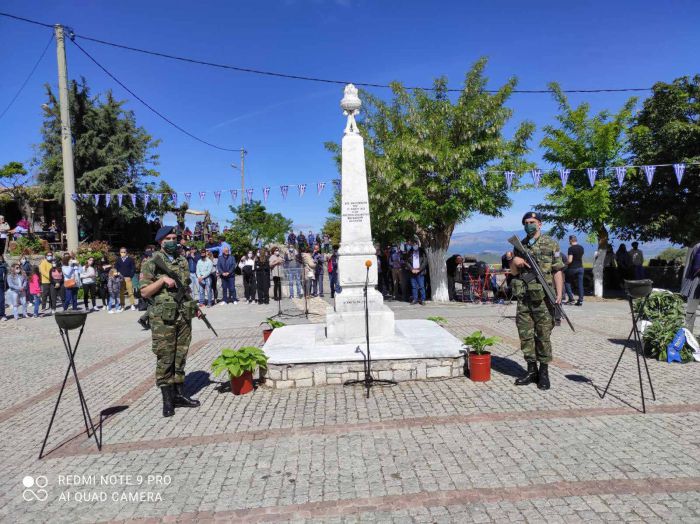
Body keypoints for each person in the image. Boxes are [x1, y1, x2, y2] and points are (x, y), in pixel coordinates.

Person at [139, 226, 201, 417]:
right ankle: (167, 400)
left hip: (183, 315)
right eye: (169, 238)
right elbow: (144, 292)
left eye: (175, 237)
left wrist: (194, 306)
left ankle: (180, 395)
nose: (173, 241)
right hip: (162, 319)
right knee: (165, 357)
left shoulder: (182, 260)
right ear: (160, 241)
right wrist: (162, 281)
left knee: (180, 355)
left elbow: (186, 288)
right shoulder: (151, 263)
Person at [507, 211, 564, 391]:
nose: (529, 225)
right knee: (525, 335)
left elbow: (557, 270)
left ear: (540, 223)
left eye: (532, 222)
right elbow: (514, 273)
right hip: (525, 298)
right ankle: (531, 371)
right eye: (526, 222)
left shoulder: (551, 243)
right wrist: (514, 261)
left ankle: (544, 373)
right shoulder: (520, 245)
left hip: (544, 299)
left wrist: (559, 294)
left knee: (543, 336)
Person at [681, 241, 700, 335]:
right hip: (696, 282)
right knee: (690, 313)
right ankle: (687, 337)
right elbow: (693, 267)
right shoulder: (698, 246)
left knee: (690, 313)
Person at [403, 240, 427, 305]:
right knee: (414, 287)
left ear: (417, 244)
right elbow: (407, 262)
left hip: (420, 272)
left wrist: (419, 269)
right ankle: (415, 299)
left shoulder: (422, 251)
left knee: (421, 286)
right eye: (413, 244)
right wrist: (411, 269)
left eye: (415, 244)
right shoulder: (409, 252)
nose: (414, 245)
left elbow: (425, 262)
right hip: (412, 272)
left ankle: (423, 299)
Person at [565, 235, 584, 306]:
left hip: (572, 268)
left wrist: (564, 263)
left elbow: (570, 260)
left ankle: (571, 299)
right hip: (581, 268)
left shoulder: (571, 248)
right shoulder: (581, 247)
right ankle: (580, 300)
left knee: (567, 282)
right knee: (580, 284)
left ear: (570, 240)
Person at [0, 254, 7, 320]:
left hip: (1, 286)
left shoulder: (3, 267)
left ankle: (2, 314)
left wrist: (6, 287)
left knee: (1, 300)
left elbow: (5, 277)